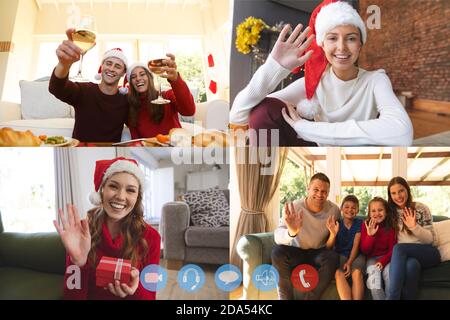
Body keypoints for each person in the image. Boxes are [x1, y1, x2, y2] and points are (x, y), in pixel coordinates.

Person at [229, 0, 413, 146]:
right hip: (318, 151)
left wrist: (307, 128)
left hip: (352, 155)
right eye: (332, 38)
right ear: (322, 44)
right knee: (263, 111)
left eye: (351, 39)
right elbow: (239, 115)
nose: (342, 47)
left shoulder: (376, 80)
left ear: (360, 44)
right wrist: (275, 67)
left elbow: (402, 133)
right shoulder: (312, 84)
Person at [53, 157, 161, 300]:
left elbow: (150, 296)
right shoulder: (80, 231)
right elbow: (71, 295)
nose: (121, 197)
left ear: (137, 198)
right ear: (101, 190)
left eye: (130, 190)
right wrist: (78, 263)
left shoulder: (152, 237)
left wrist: (135, 290)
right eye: (113, 186)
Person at [49, 28, 129, 143]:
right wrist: (64, 64)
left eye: (117, 66)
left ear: (123, 73)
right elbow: (56, 88)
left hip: (109, 155)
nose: (111, 68)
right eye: (108, 63)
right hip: (80, 151)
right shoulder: (85, 90)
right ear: (102, 67)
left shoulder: (125, 100)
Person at [272, 172, 340, 300]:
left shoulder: (334, 210)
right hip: (296, 251)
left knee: (333, 257)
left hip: (318, 253)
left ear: (328, 193)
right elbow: (277, 236)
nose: (320, 194)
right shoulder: (295, 207)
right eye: (316, 189)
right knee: (277, 252)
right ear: (308, 189)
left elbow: (336, 239)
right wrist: (291, 232)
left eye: (324, 191)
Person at [386, 176, 440, 300]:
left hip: (428, 253)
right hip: (407, 257)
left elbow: (430, 240)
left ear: (407, 190)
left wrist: (414, 227)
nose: (398, 196)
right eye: (393, 193)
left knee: (399, 249)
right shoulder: (391, 212)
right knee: (412, 266)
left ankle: (392, 297)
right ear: (390, 195)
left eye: (401, 191)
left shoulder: (420, 208)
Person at [126, 55, 196, 139]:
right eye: (133, 77)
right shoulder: (131, 106)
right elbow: (135, 138)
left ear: (150, 78)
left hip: (175, 148)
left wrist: (176, 79)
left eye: (142, 74)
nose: (138, 78)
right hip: (148, 150)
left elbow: (189, 111)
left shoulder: (167, 96)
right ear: (131, 83)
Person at [326, 195, 365, 300]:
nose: (350, 210)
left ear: (357, 210)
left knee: (356, 273)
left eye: (353, 207)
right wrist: (332, 234)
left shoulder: (359, 223)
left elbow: (356, 246)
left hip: (356, 255)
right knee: (339, 273)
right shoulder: (337, 223)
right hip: (341, 255)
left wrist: (349, 262)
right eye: (347, 207)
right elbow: (328, 247)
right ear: (341, 209)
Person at [360, 197, 397, 300]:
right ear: (369, 213)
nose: (377, 213)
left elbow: (393, 249)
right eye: (373, 211)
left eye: (380, 210)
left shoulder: (391, 227)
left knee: (389, 275)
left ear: (386, 211)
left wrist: (383, 261)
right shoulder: (365, 225)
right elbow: (365, 250)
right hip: (372, 258)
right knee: (373, 280)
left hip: (387, 258)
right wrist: (370, 235)